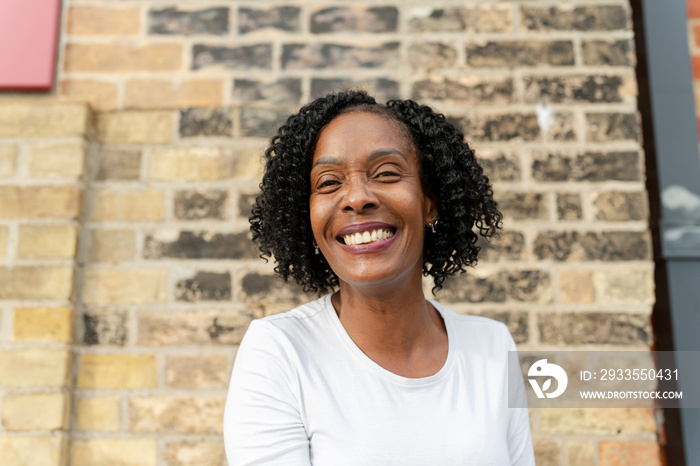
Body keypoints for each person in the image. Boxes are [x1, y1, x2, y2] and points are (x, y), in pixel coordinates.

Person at [223, 90, 535, 465]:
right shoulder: (279, 353)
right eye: (328, 183)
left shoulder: (491, 346)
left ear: (429, 202)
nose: (357, 198)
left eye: (386, 174)